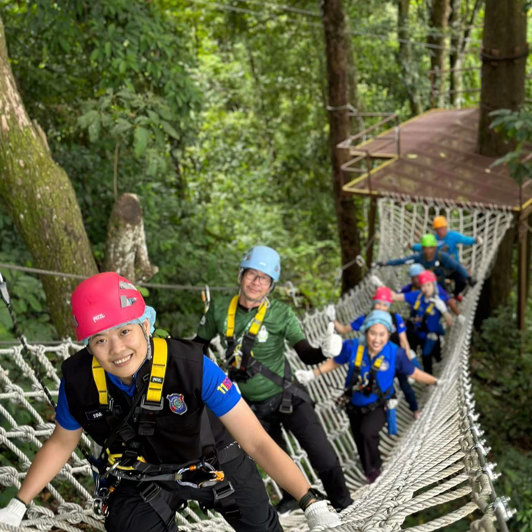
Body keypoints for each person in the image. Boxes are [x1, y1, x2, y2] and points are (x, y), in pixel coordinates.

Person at [0, 272, 341, 531]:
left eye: (125, 332)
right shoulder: (80, 380)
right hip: (144, 476)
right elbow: (61, 443)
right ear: (88, 345)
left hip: (214, 465)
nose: (117, 350)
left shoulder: (192, 367)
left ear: (145, 326)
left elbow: (255, 441)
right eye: (100, 340)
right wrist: (19, 504)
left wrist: (308, 500)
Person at [195, 246, 353, 515]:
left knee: (322, 455)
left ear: (271, 285)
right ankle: (294, 497)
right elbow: (198, 346)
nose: (257, 283)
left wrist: (324, 351)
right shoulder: (219, 310)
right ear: (241, 275)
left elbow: (305, 353)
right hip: (248, 406)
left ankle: (343, 503)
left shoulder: (281, 313)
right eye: (252, 275)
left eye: (264, 278)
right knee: (273, 460)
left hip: (287, 396)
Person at [295, 311, 437, 484]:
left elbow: (414, 372)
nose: (377, 339)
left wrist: (436, 382)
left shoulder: (395, 353)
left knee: (367, 433)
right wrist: (312, 374)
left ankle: (376, 470)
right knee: (360, 438)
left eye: (382, 334)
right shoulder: (354, 346)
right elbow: (336, 361)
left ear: (389, 334)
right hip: (353, 403)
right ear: (366, 332)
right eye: (373, 333)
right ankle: (369, 471)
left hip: (379, 404)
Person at [332, 286, 422, 419]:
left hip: (395, 358)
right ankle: (384, 420)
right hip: (373, 362)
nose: (380, 307)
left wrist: (408, 361)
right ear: (373, 304)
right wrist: (331, 319)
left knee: (405, 385)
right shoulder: (366, 319)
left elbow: (404, 342)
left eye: (384, 305)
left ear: (389, 306)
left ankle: (415, 409)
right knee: (379, 390)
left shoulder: (395, 318)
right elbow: (343, 329)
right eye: (378, 304)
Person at [392, 270, 453, 375]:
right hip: (416, 332)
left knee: (427, 356)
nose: (426, 289)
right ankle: (412, 372)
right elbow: (396, 297)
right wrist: (381, 289)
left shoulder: (439, 300)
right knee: (404, 345)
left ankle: (429, 378)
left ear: (434, 285)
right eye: (423, 286)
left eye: (428, 285)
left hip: (430, 335)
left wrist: (443, 310)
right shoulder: (417, 296)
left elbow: (450, 322)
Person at [380, 233, 474, 297]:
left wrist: (468, 277)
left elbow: (457, 266)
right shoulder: (419, 257)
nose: (428, 251)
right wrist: (385, 263)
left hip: (439, 283)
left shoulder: (442, 256)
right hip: (425, 285)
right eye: (425, 248)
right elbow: (403, 261)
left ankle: (454, 295)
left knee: (460, 281)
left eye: (430, 248)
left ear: (434, 248)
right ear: (422, 248)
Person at [411, 215, 481, 262]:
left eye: (442, 228)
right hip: (439, 264)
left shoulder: (453, 235)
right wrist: (412, 246)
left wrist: (475, 240)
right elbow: (423, 247)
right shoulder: (433, 238)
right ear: (435, 230)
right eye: (438, 229)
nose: (440, 231)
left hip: (453, 263)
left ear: (446, 227)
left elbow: (465, 240)